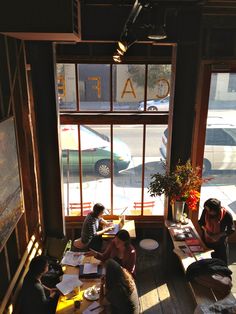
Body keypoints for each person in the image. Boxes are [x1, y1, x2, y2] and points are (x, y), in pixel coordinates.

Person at [198, 198, 235, 264]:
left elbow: (231, 230)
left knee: (220, 263)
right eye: (206, 209)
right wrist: (206, 231)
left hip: (220, 243)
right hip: (206, 240)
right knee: (206, 262)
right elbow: (201, 222)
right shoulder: (205, 211)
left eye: (209, 210)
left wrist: (218, 235)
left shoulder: (226, 215)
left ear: (215, 210)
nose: (207, 211)